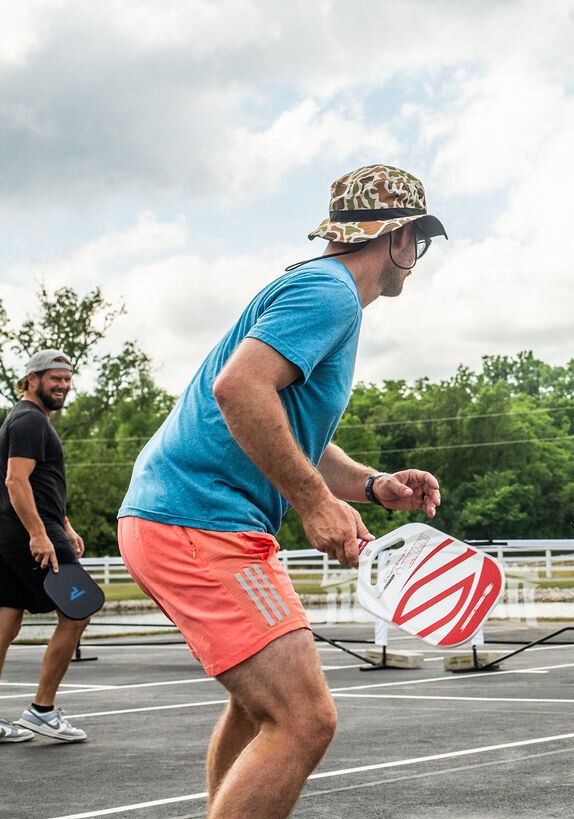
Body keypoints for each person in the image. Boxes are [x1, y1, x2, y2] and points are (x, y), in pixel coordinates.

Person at [117, 164, 446, 818]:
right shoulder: (330, 294)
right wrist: (314, 503)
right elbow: (238, 390)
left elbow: (293, 435)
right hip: (197, 517)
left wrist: (373, 486)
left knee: (261, 708)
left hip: (192, 516)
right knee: (304, 718)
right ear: (399, 240)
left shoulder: (315, 290)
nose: (415, 260)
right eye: (418, 242)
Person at [0, 350, 89, 743]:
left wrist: (66, 524)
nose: (63, 386)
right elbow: (15, 482)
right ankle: (42, 711)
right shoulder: (30, 420)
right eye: (55, 378)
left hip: (15, 532)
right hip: (31, 534)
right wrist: (41, 534)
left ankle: (38, 711)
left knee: (5, 623)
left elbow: (39, 483)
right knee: (78, 610)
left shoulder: (25, 420)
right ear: (32, 379)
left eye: (67, 379)